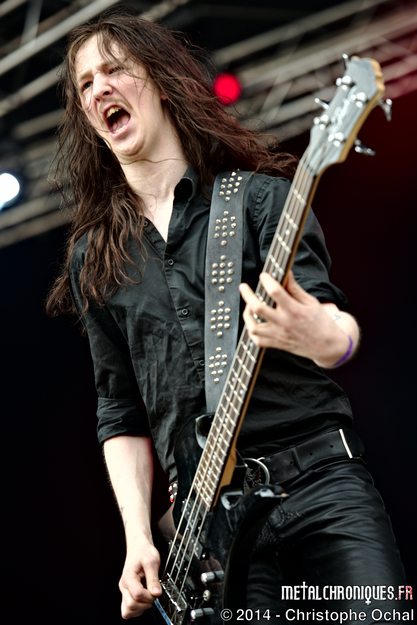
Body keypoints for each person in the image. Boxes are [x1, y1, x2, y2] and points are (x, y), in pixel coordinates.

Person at [46, 7, 408, 623]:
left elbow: (334, 327)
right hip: (209, 531)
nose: (99, 87)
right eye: (86, 83)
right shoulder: (97, 259)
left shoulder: (260, 200)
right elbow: (119, 410)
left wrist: (327, 338)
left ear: (160, 82)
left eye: (115, 69)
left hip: (319, 481)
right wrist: (138, 536)